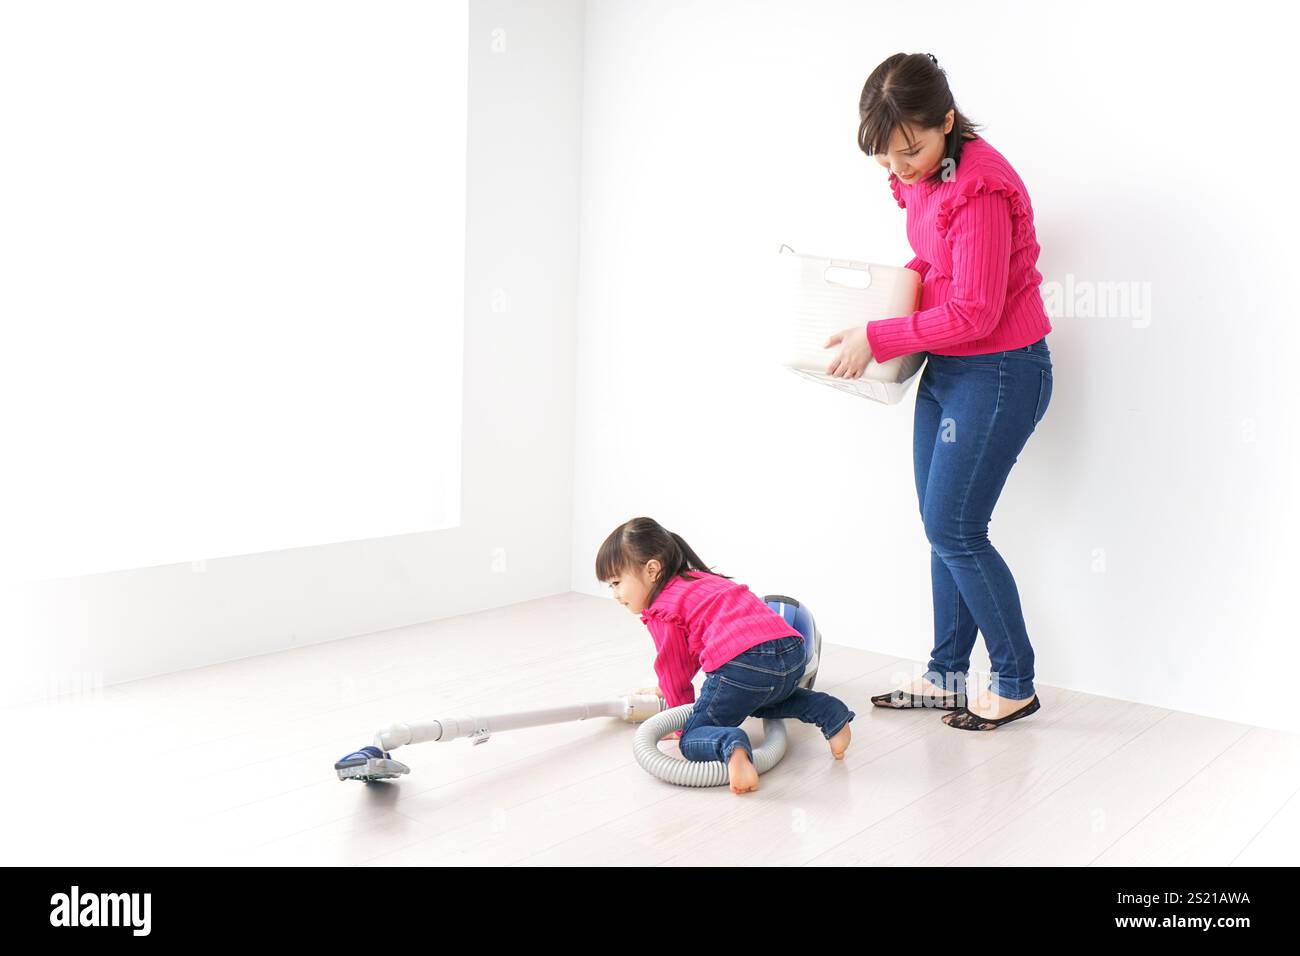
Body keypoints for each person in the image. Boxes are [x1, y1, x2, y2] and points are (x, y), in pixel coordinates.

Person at [823, 52, 1053, 731]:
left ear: (947, 122)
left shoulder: (978, 186)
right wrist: (892, 289)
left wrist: (882, 334)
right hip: (948, 366)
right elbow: (936, 258)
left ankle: (1014, 681)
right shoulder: (929, 172)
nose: (901, 169)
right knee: (940, 529)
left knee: (956, 528)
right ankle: (946, 676)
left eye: (911, 151)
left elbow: (979, 312)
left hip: (1001, 369)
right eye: (887, 159)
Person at [596, 516, 856, 793]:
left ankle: (733, 749)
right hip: (791, 652)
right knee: (758, 699)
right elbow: (704, 642)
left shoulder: (661, 608)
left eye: (616, 582)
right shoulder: (702, 580)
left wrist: (682, 721)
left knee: (693, 737)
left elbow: (676, 669)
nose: (615, 594)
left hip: (743, 664)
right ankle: (832, 715)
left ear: (652, 570)